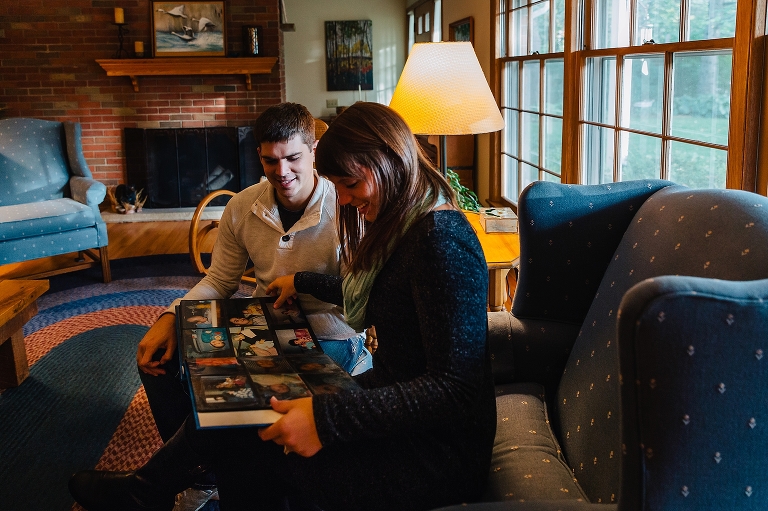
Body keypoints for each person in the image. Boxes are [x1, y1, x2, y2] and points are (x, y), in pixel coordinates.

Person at [69, 102, 495, 511]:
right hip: (399, 415)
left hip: (430, 455)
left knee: (249, 432)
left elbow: (454, 391)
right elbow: (375, 298)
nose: (344, 199)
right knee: (242, 413)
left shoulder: (441, 240)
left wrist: (326, 419)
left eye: (350, 184)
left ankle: (148, 491)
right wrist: (299, 283)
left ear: (386, 161)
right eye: (341, 187)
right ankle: (151, 491)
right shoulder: (408, 226)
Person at [130, 103, 372, 508]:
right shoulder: (243, 207)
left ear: (314, 148)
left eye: (293, 157)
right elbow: (220, 281)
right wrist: (172, 315)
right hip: (261, 325)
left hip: (332, 332)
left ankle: (152, 483)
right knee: (157, 358)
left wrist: (302, 284)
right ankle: (201, 474)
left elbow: (361, 295)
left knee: (236, 392)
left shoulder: (347, 204)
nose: (282, 172)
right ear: (258, 156)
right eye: (270, 160)